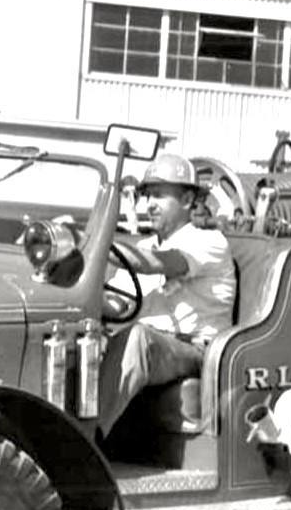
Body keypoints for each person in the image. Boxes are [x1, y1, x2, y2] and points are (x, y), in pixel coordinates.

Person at [96, 153, 236, 440]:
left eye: (159, 196)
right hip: (155, 347)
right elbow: (118, 305)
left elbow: (159, 264)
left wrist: (96, 246)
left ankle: (87, 441)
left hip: (195, 349)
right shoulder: (145, 246)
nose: (150, 205)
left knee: (138, 338)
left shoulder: (208, 241)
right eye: (147, 196)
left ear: (186, 200)